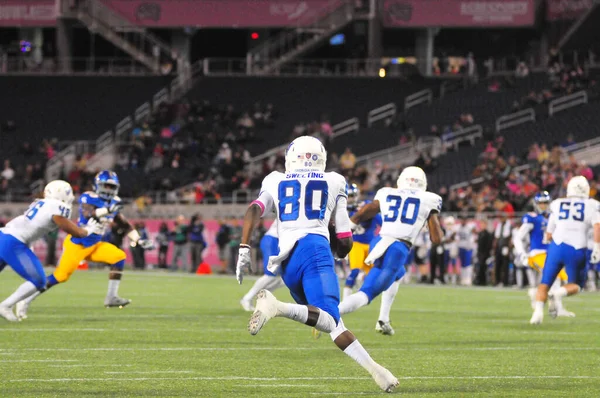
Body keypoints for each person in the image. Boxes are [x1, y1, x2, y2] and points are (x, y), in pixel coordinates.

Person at [235, 136, 398, 392]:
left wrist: (244, 246)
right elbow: (344, 239)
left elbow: (254, 209)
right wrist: (337, 248)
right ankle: (276, 307)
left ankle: (378, 372)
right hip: (315, 252)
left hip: (287, 261)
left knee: (330, 322)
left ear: (290, 157)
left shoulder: (274, 179)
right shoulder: (334, 181)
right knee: (330, 319)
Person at [15, 171, 154, 320]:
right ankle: (25, 300)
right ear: (97, 185)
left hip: (95, 245)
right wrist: (108, 210)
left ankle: (111, 297)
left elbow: (124, 225)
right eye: (105, 186)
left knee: (119, 257)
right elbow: (89, 214)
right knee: (61, 276)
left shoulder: (114, 202)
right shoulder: (89, 197)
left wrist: (138, 240)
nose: (108, 190)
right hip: (78, 244)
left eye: (111, 186)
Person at [338, 166, 443, 336]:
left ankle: (383, 320)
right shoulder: (429, 199)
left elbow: (364, 212)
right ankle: (328, 315)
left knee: (400, 273)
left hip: (379, 241)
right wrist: (433, 216)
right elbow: (436, 239)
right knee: (367, 293)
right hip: (398, 248)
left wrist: (348, 228)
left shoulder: (387, 192)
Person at [0, 180, 103, 321]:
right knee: (39, 280)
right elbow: (74, 232)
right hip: (13, 242)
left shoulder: (41, 203)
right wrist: (88, 230)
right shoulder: (57, 206)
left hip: (4, 235)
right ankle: (6, 305)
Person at [530, 176, 600, 324]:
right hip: (577, 248)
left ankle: (537, 314)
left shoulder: (557, 203)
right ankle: (558, 294)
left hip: (556, 247)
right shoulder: (592, 204)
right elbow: (597, 225)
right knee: (577, 285)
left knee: (545, 283)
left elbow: (549, 234)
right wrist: (597, 247)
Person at [513, 192, 571, 315]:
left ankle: (538, 295)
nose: (543, 205)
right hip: (537, 253)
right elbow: (518, 238)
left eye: (545, 203)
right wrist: (522, 253)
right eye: (541, 203)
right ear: (536, 204)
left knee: (559, 279)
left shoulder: (553, 217)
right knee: (554, 277)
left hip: (551, 253)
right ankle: (555, 307)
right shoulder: (532, 218)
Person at [343, 184, 382, 300]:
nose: (350, 198)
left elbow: (382, 223)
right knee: (354, 270)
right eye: (348, 196)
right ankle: (345, 299)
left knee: (372, 275)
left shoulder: (366, 208)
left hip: (370, 245)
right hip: (356, 244)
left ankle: (360, 294)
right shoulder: (345, 210)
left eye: (352, 195)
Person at [240, 219, 284, 311]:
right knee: (271, 274)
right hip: (273, 240)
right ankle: (247, 298)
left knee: (286, 279)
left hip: (282, 243)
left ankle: (262, 297)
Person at [456, 215, 477, 286]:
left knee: (468, 264)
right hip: (461, 247)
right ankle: (463, 278)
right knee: (462, 264)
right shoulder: (458, 227)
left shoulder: (470, 226)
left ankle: (468, 279)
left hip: (468, 247)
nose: (463, 221)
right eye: (462, 220)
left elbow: (476, 232)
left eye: (464, 220)